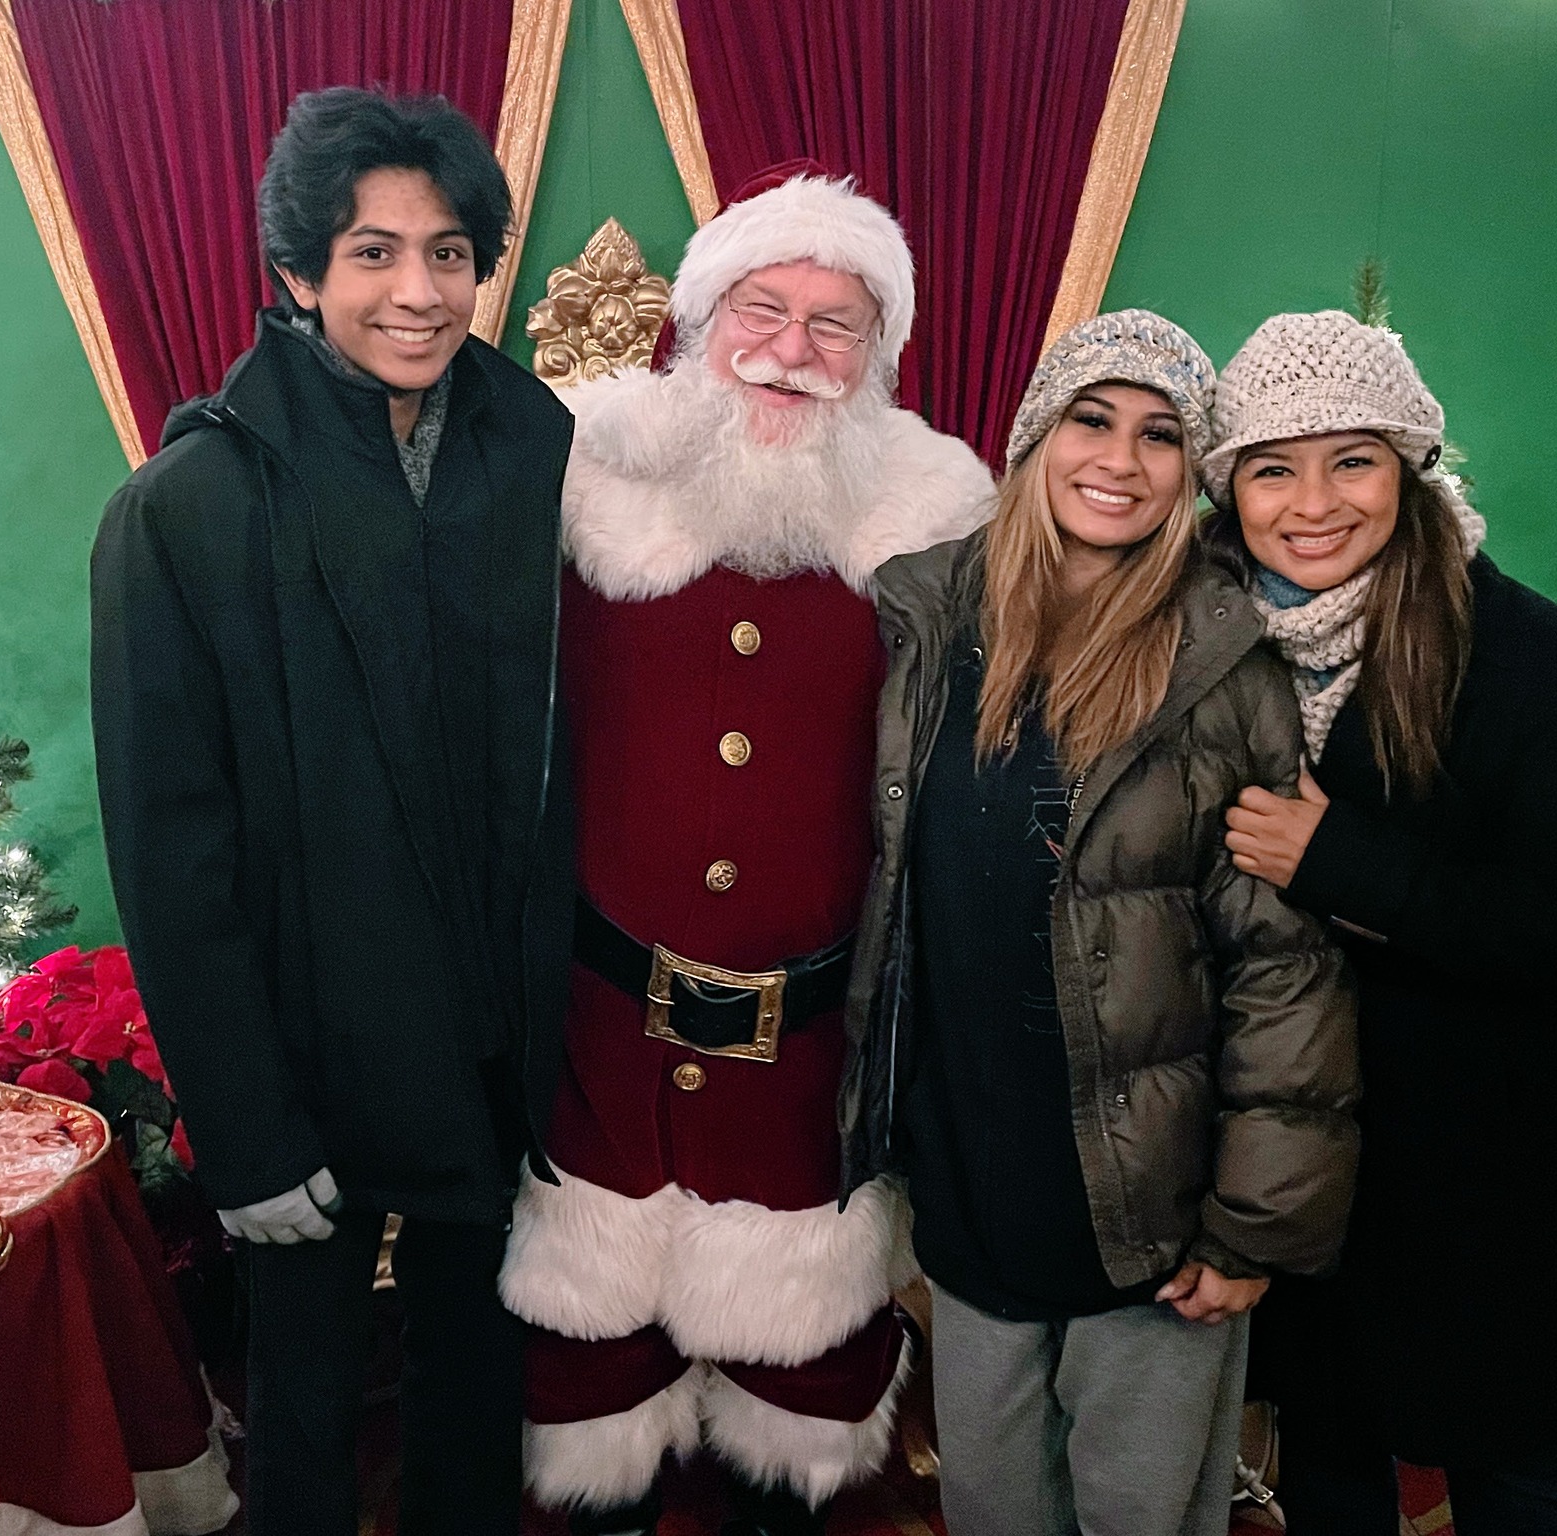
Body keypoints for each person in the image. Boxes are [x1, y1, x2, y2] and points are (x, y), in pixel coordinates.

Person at [89, 88, 575, 1536]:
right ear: (298, 272)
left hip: (497, 1055)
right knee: (303, 1425)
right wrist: (240, 1127)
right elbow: (171, 851)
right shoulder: (187, 506)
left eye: (448, 251)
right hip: (304, 1072)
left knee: (478, 1399)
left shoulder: (538, 451)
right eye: (373, 253)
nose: (418, 293)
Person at [495, 168, 994, 1536]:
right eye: (761, 311)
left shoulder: (941, 519)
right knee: (589, 1391)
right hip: (601, 1030)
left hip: (817, 1039)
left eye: (838, 326)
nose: (792, 352)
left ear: (881, 356)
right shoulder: (579, 481)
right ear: (696, 324)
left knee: (802, 1406)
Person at [837, 310, 1362, 1536]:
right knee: (991, 1504)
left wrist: (1250, 1226)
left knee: (1136, 1514)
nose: (1119, 460)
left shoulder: (1223, 662)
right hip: (970, 1178)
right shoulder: (925, 622)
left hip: (1148, 1210)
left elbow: (1283, 968)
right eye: (1091, 418)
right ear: (1034, 439)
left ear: (1192, 473)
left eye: (1161, 435)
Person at [1205, 310, 1557, 1536]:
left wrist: (1337, 860)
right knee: (1329, 1459)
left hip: (1482, 1164)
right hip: (1295, 1153)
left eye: (1350, 459)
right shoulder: (1197, 646)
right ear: (1226, 485)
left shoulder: (1542, 655)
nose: (1311, 503)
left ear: (1408, 468)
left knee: (1503, 1467)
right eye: (1269, 466)